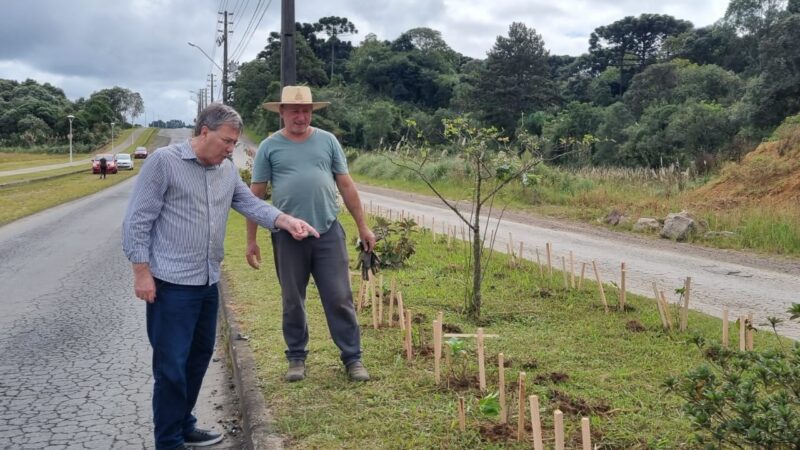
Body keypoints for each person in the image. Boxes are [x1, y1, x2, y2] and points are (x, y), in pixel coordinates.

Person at [122, 103, 318, 450]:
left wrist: (285, 221)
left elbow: (251, 204)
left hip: (207, 282)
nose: (230, 149)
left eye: (234, 144)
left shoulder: (226, 171)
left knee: (197, 359)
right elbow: (137, 221)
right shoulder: (164, 163)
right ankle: (167, 440)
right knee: (171, 367)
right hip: (171, 285)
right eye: (226, 142)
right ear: (203, 132)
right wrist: (142, 273)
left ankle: (184, 424)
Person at [245, 85, 376, 383]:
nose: (300, 117)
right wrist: (251, 240)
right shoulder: (269, 147)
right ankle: (296, 357)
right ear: (282, 113)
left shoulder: (328, 141)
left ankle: (352, 358)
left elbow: (346, 185)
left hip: (327, 231)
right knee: (293, 299)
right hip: (287, 236)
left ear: (311, 112)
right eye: (294, 111)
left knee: (339, 296)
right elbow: (255, 195)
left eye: (305, 111)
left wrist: (363, 226)